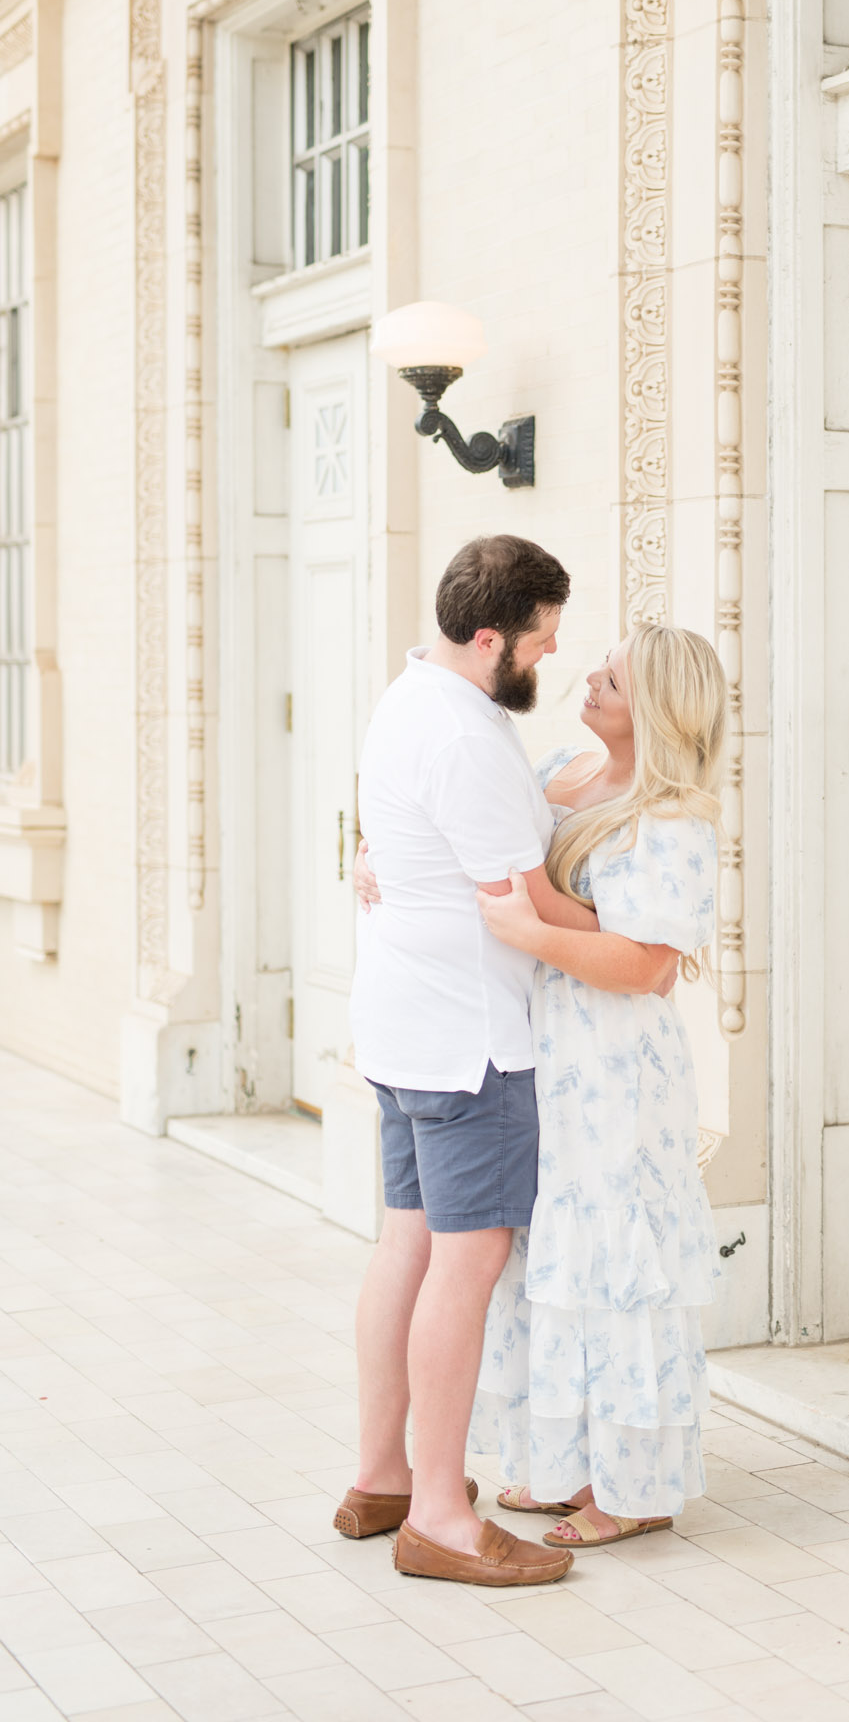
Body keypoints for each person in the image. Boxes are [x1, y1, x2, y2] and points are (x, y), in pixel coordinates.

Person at [360, 625, 725, 1546]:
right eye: (597, 666)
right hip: (536, 1048)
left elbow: (646, 964)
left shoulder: (671, 816)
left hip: (613, 1065)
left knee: (613, 1263)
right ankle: (563, 1466)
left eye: (613, 677)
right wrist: (386, 859)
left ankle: (631, 1489)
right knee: (543, 1261)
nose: (588, 680)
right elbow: (466, 841)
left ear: (661, 709)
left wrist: (531, 936)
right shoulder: (558, 768)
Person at [337, 533, 594, 1590]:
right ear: (490, 634)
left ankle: (382, 1475)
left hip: (401, 1026)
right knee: (466, 1266)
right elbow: (522, 903)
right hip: (468, 1042)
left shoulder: (408, 699)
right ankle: (441, 1513)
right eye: (536, 640)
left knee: (405, 1246)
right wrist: (632, 935)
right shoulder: (470, 739)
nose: (543, 657)